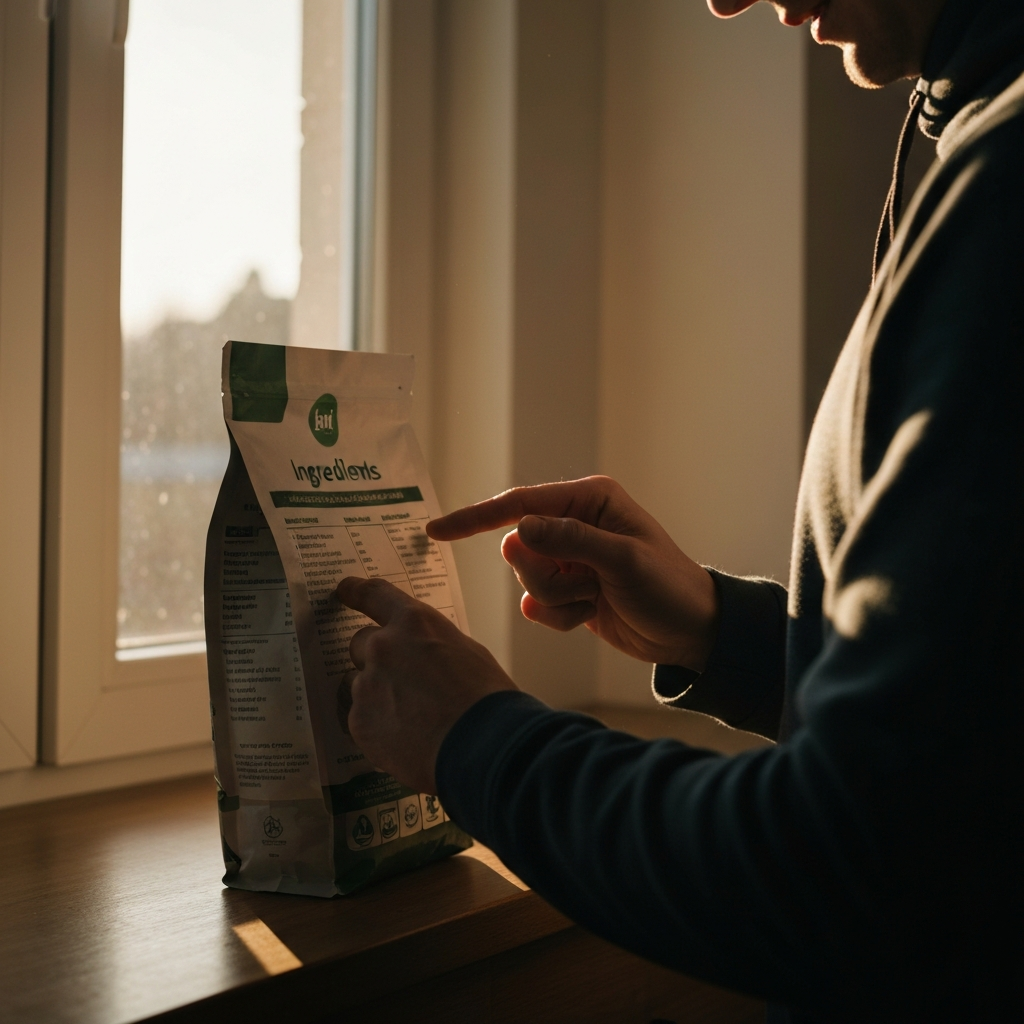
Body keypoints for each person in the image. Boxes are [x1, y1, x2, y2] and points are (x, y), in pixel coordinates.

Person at [336, 0, 1023, 1020]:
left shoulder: (1005, 195)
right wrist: (724, 632)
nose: (727, 1)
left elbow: (849, 866)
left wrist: (473, 740)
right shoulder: (981, 152)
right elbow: (977, 748)